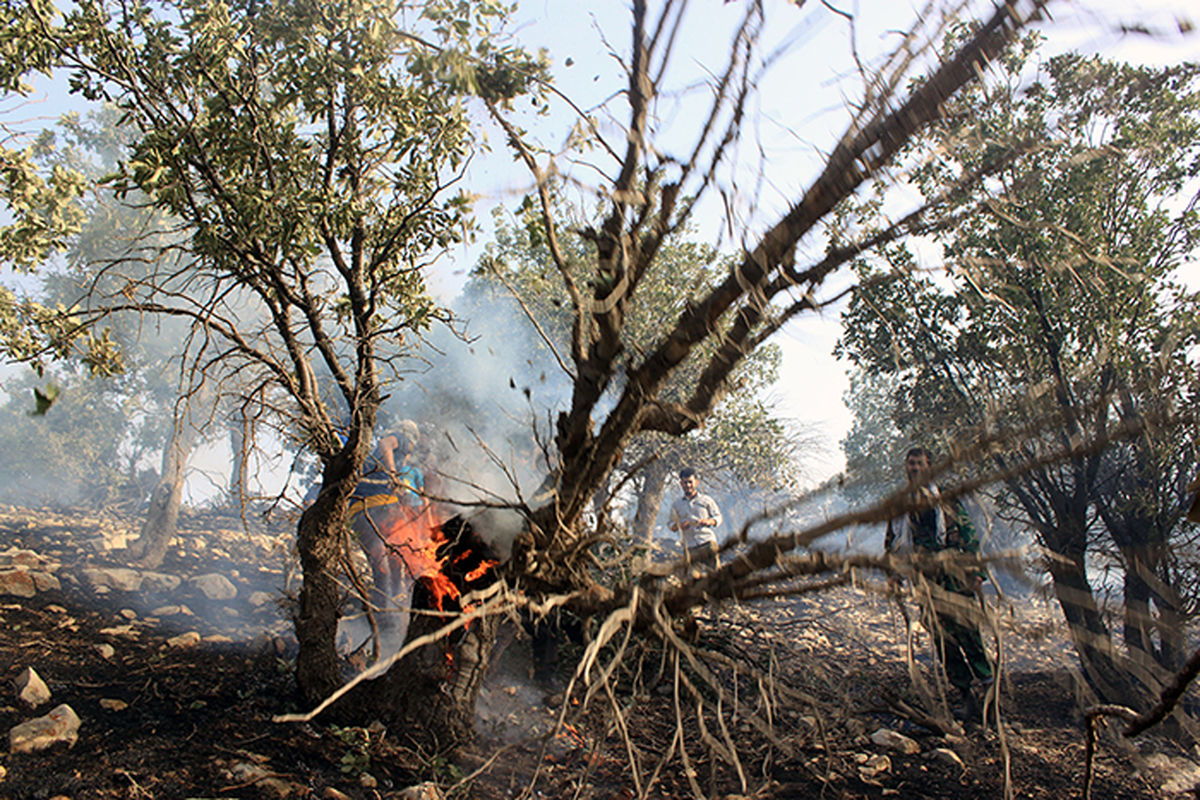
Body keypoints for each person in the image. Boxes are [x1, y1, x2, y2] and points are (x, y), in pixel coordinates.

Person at [886, 446, 993, 722]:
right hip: (924, 581)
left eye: (920, 464)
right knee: (941, 639)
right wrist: (893, 573)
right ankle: (967, 700)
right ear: (906, 467)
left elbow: (968, 531)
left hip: (954, 577)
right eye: (911, 464)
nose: (915, 469)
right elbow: (893, 541)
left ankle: (992, 703)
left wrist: (977, 571)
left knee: (968, 633)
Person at [348, 427, 429, 654]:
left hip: (376, 508)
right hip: (372, 507)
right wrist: (393, 473)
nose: (412, 453)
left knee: (392, 565)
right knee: (383, 563)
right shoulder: (402, 439)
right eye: (414, 447)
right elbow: (385, 443)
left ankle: (391, 615)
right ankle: (383, 620)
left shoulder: (395, 459)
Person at [668, 467, 723, 569]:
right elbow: (671, 524)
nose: (688, 485)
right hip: (690, 547)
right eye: (685, 482)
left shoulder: (706, 500)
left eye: (690, 482)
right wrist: (678, 526)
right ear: (681, 484)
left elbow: (718, 517)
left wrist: (709, 521)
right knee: (694, 579)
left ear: (696, 482)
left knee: (715, 576)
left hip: (707, 543)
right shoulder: (676, 505)